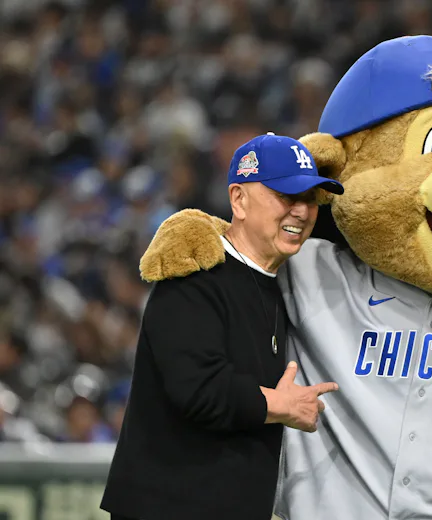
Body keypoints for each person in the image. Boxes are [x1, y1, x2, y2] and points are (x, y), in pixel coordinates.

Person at [100, 133, 344, 520]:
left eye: (310, 199)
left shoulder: (276, 279)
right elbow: (197, 388)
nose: (301, 211)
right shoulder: (194, 273)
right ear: (238, 199)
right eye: (286, 196)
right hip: (168, 507)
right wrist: (278, 404)